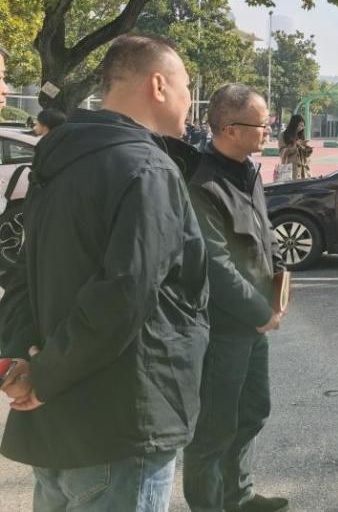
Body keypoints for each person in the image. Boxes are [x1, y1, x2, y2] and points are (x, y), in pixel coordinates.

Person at [0, 34, 209, 512]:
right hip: (121, 424)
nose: (188, 100)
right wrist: (43, 376)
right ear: (158, 85)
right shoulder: (147, 168)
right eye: (185, 86)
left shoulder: (60, 160)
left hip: (57, 423)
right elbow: (124, 294)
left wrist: (23, 365)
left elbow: (24, 273)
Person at [183, 84, 288, 512]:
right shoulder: (203, 183)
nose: (269, 130)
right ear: (230, 129)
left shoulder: (248, 171)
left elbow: (263, 233)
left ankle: (238, 495)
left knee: (252, 411)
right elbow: (215, 264)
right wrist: (260, 311)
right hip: (223, 327)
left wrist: (279, 276)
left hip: (254, 324)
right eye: (262, 124)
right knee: (214, 427)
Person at [279, 114, 312, 180]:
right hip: (291, 169)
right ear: (294, 124)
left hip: (304, 170)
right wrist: (295, 146)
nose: (302, 128)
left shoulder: (301, 135)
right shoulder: (284, 135)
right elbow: (282, 152)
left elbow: (306, 155)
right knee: (292, 184)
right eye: (300, 125)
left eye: (303, 126)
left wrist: (307, 149)